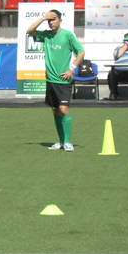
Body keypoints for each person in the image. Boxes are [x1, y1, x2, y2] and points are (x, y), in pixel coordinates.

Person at [27, 9, 85, 152]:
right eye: (49, 20)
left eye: (53, 19)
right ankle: (61, 141)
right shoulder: (46, 35)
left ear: (60, 20)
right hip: (50, 80)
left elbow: (81, 52)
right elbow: (29, 31)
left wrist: (72, 69)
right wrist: (42, 18)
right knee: (55, 111)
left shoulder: (68, 35)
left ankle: (67, 142)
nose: (51, 22)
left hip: (63, 80)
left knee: (64, 109)